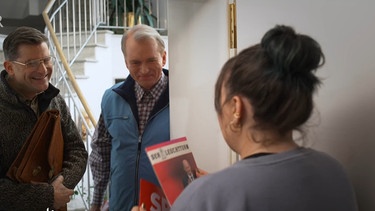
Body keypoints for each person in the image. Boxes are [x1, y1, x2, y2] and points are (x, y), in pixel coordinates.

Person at [132, 25, 358, 211]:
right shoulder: (334, 173)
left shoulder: (203, 198)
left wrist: (215, 189)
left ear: (236, 108)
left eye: (219, 105)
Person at [0, 26, 88, 210]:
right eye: (31, 63)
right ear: (9, 67)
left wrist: (62, 183)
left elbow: (77, 150)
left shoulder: (54, 98)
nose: (43, 69)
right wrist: (47, 196)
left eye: (46, 59)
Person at [89, 24, 170, 211]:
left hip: (164, 206)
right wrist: (96, 203)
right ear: (126, 62)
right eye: (135, 62)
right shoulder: (111, 98)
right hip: (120, 205)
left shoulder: (181, 97)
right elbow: (101, 152)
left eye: (151, 60)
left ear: (163, 57)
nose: (144, 69)